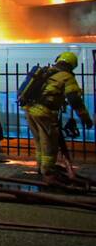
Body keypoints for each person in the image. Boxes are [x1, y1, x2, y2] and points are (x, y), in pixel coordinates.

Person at [24, 51, 93, 181]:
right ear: (72, 65)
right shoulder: (66, 77)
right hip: (44, 112)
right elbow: (74, 100)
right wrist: (85, 118)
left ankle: (40, 168)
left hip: (30, 109)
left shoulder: (47, 72)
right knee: (49, 143)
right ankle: (48, 172)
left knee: (39, 141)